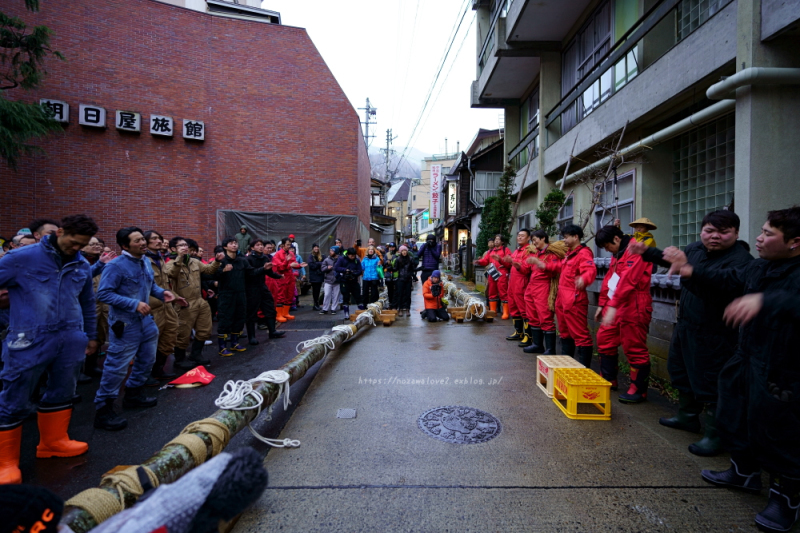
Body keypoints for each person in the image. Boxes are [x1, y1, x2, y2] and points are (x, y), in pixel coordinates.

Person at [661, 206, 800, 533]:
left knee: (781, 432)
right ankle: (743, 471)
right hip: (747, 355)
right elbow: (726, 279)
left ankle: (786, 500)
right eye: (762, 231)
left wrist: (765, 301)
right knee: (734, 414)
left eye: (768, 233)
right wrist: (688, 270)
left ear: (795, 242)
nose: (759, 237)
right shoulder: (760, 267)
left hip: (784, 369)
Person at [629, 210, 752, 457]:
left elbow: (723, 280)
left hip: (716, 332)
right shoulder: (695, 249)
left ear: (736, 233)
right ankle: (687, 416)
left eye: (723, 232)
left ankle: (716, 435)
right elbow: (675, 263)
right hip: (686, 323)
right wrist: (648, 252)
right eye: (709, 231)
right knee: (680, 370)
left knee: (712, 381)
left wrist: (690, 270)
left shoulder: (741, 259)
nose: (714, 237)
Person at [0, 214, 98, 484]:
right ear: (60, 232)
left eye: (83, 245)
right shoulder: (21, 257)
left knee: (63, 390)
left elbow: (88, 303)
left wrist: (91, 336)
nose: (77, 249)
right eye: (74, 243)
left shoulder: (81, 265)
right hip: (29, 339)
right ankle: (5, 462)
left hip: (70, 339)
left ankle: (53, 442)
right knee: (15, 396)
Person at [94, 227, 187, 431]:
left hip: (146, 321)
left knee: (147, 359)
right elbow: (104, 294)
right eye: (137, 241)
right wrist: (133, 303)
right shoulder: (115, 266)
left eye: (142, 239)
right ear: (125, 246)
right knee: (117, 366)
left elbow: (150, 286)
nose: (143, 243)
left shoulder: (145, 260)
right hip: (125, 323)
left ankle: (133, 394)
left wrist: (164, 293)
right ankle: (103, 409)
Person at [595, 225, 653, 403]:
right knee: (604, 338)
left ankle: (638, 389)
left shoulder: (636, 250)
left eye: (607, 246)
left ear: (617, 239)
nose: (607, 250)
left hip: (634, 303)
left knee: (633, 345)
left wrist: (611, 305)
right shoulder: (617, 254)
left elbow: (629, 280)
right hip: (615, 303)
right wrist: (602, 304)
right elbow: (609, 281)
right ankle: (608, 377)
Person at [540, 224, 597, 366]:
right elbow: (560, 267)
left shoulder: (583, 253)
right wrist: (544, 266)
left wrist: (584, 279)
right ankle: (567, 365)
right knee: (564, 332)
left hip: (574, 298)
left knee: (580, 333)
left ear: (575, 237)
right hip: (563, 298)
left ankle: (584, 369)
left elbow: (590, 270)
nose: (564, 240)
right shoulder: (569, 253)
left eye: (566, 237)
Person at [165, 238, 222, 369]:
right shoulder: (170, 263)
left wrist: (217, 261)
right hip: (184, 303)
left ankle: (196, 354)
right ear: (173, 249)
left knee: (204, 329)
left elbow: (208, 270)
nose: (184, 247)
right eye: (181, 245)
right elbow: (171, 274)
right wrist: (179, 258)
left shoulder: (194, 261)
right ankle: (179, 359)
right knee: (183, 333)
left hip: (199, 301)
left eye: (185, 245)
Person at [523, 231, 567, 355]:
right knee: (532, 316)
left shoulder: (551, 254)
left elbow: (557, 268)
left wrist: (540, 264)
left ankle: (550, 349)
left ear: (543, 239)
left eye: (535, 239)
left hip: (543, 287)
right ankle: (537, 345)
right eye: (532, 240)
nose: (534, 242)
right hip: (532, 287)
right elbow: (527, 269)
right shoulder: (537, 253)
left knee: (545, 316)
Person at [144, 230, 178, 381]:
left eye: (159, 238)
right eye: (154, 239)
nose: (159, 241)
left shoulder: (161, 259)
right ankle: (145, 374)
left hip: (167, 307)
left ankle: (159, 369)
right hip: (152, 308)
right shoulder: (144, 260)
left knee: (168, 339)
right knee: (150, 342)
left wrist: (176, 297)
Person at [244, 239, 286, 344]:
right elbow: (251, 273)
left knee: (270, 308)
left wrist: (279, 276)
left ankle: (272, 331)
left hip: (262, 286)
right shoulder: (248, 259)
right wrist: (263, 268)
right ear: (252, 247)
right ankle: (252, 337)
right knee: (252, 313)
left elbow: (269, 272)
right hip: (251, 289)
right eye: (258, 245)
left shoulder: (264, 258)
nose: (261, 247)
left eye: (261, 245)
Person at [216, 238, 251, 356]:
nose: (234, 245)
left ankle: (235, 343)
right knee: (225, 319)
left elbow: (251, 273)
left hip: (240, 294)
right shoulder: (221, 260)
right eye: (231, 243)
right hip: (226, 295)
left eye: (236, 243)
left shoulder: (242, 260)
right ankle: (222, 347)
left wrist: (264, 269)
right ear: (225, 247)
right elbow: (211, 275)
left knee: (239, 318)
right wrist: (223, 271)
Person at [504, 229, 533, 347]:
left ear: (528, 238)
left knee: (523, 309)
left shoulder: (528, 251)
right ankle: (518, 331)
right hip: (513, 282)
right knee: (513, 307)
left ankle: (528, 335)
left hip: (521, 282)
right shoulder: (516, 251)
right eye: (518, 235)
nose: (519, 237)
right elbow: (509, 264)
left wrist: (514, 263)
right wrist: (502, 260)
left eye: (522, 236)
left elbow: (526, 269)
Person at [272, 238, 306, 321]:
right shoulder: (278, 254)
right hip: (282, 277)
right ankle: (279, 314)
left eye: (290, 245)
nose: (289, 246)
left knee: (290, 294)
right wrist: (287, 263)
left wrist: (299, 265)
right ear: (282, 245)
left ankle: (285, 313)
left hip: (290, 276)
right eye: (287, 244)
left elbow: (294, 263)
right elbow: (279, 267)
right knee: (281, 295)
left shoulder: (291, 253)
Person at [335, 248, 363, 317]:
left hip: (354, 281)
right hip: (344, 281)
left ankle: (362, 311)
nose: (352, 257)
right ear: (348, 254)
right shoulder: (341, 259)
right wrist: (345, 270)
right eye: (351, 256)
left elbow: (360, 270)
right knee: (346, 297)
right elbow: (336, 268)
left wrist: (354, 273)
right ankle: (346, 313)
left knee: (358, 297)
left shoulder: (356, 260)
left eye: (354, 256)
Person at [392, 245, 415, 317]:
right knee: (400, 294)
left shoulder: (410, 259)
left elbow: (412, 269)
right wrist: (389, 267)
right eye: (402, 251)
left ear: (407, 251)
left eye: (405, 251)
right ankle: (400, 309)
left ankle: (407, 309)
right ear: (400, 252)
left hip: (408, 279)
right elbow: (395, 268)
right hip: (400, 279)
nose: (404, 252)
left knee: (408, 295)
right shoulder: (398, 259)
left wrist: (418, 269)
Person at [319, 246, 341, 314]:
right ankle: (325, 309)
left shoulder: (340, 259)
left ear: (336, 252)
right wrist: (327, 268)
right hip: (328, 280)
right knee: (327, 294)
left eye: (332, 251)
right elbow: (322, 268)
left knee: (336, 295)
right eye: (330, 250)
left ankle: (333, 309)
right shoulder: (327, 259)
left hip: (337, 281)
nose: (330, 252)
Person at [307, 244, 325, 311]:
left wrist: (316, 263)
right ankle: (315, 304)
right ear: (312, 248)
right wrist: (319, 263)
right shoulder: (311, 256)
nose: (316, 248)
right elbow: (312, 266)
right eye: (315, 247)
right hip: (314, 277)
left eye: (317, 247)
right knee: (315, 291)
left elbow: (324, 263)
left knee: (318, 290)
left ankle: (317, 303)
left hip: (320, 276)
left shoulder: (322, 256)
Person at [383, 242, 397, 309]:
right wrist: (387, 262)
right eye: (390, 247)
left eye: (393, 247)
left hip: (396, 274)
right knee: (390, 291)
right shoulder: (386, 255)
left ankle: (396, 304)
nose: (392, 248)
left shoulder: (397, 254)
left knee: (396, 291)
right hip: (388, 274)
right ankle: (390, 303)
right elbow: (383, 263)